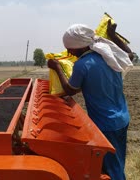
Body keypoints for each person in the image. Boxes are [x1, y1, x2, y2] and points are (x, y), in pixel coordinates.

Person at [47, 20, 134, 180]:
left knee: (111, 168)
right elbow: (130, 55)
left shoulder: (82, 64)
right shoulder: (110, 55)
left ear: (80, 46)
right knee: (118, 159)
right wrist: (113, 36)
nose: (69, 53)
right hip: (122, 118)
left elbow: (70, 90)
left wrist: (57, 67)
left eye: (70, 49)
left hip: (105, 124)